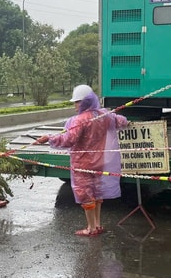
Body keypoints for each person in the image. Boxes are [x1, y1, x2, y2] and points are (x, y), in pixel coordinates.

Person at [35, 85, 129, 237]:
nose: (75, 105)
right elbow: (122, 121)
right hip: (100, 161)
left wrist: (49, 138)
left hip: (83, 163)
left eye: (78, 102)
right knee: (97, 193)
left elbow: (68, 140)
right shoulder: (104, 115)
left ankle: (91, 228)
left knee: (86, 195)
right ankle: (97, 225)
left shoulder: (80, 120)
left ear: (85, 102)